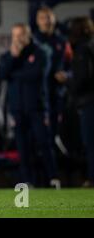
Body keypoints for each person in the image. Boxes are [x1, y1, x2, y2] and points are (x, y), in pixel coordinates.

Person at [0, 23, 60, 187]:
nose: (17, 39)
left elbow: (36, 74)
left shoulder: (40, 53)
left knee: (43, 143)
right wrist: (13, 57)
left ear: (28, 35)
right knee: (23, 148)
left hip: (37, 108)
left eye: (21, 35)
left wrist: (15, 74)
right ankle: (27, 181)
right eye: (15, 35)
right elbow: (2, 74)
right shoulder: (8, 56)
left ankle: (53, 178)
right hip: (17, 109)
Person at [56, 17, 94, 187]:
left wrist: (66, 80)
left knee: (90, 143)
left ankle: (92, 179)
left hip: (89, 102)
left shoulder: (83, 50)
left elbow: (81, 79)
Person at [33, 7, 71, 151]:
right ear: (37, 21)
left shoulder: (62, 41)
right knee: (39, 134)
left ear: (54, 19)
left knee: (56, 130)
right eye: (43, 18)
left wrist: (67, 75)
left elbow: (71, 66)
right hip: (38, 95)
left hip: (57, 93)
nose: (46, 21)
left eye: (49, 17)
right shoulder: (33, 41)